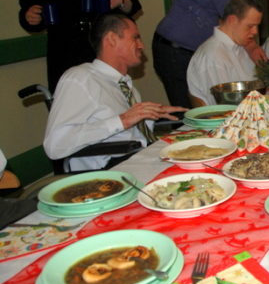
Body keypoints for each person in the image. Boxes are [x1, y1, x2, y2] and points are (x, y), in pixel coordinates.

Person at [44, 13, 185, 171]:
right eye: (135, 38)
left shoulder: (125, 84)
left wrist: (151, 115)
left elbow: (133, 134)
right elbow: (54, 146)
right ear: (111, 39)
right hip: (108, 171)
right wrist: (122, 120)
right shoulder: (80, 78)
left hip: (138, 157)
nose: (141, 45)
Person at [186, 0, 263, 106]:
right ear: (232, 20)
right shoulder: (213, 55)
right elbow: (224, 107)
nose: (255, 32)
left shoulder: (239, 47)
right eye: (250, 26)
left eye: (257, 26)